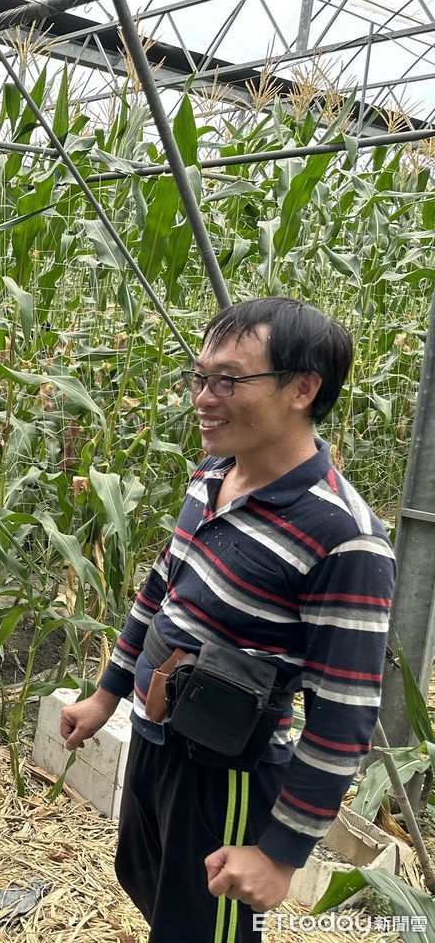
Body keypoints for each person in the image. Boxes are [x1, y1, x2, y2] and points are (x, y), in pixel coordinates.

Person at [60, 297, 395, 942]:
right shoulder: (213, 477)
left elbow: (346, 713)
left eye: (229, 381)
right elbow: (163, 589)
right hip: (159, 741)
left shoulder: (342, 537)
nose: (204, 398)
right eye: (200, 377)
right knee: (148, 882)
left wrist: (279, 854)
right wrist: (108, 695)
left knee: (205, 930)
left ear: (303, 388)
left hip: (228, 775)